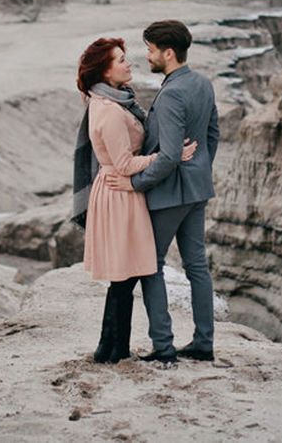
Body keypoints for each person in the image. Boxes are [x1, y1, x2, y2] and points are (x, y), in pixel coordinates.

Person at [71, 37, 197, 364]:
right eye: (121, 60)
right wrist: (166, 156)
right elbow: (124, 164)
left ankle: (112, 349)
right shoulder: (110, 110)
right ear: (105, 70)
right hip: (120, 192)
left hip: (120, 189)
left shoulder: (115, 101)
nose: (129, 64)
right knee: (125, 276)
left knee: (125, 277)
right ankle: (109, 350)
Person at [106, 20, 219, 363]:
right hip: (197, 188)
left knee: (149, 265)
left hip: (169, 194)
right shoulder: (201, 83)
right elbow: (212, 134)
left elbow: (169, 154)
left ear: (168, 53)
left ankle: (164, 347)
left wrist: (135, 183)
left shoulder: (171, 94)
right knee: (197, 266)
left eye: (151, 50)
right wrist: (199, 167)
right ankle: (203, 343)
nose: (147, 56)